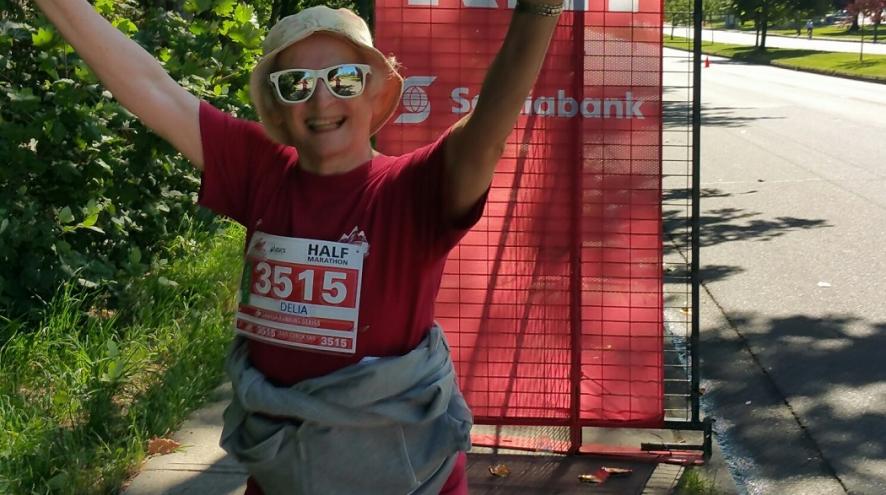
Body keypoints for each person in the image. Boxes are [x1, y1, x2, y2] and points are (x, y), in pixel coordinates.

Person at [30, 0, 562, 493]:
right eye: (296, 84)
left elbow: (490, 124)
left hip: (403, 478)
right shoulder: (259, 172)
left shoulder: (413, 191)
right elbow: (153, 87)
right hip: (284, 475)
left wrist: (540, 8)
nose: (322, 98)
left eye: (344, 79)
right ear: (278, 109)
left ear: (377, 92)